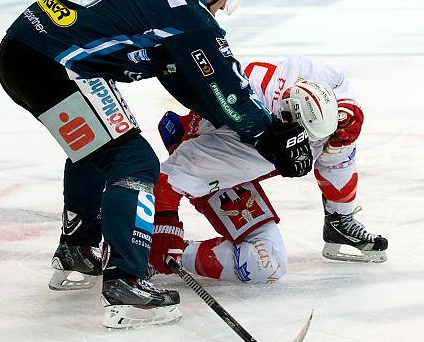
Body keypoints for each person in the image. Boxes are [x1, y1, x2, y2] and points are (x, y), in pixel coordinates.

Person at [0, 0, 313, 328]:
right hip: (57, 64)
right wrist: (266, 133)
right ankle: (125, 285)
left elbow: (182, 76)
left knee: (99, 149)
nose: (222, 8)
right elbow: (224, 82)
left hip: (27, 52)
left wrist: (228, 118)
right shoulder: (188, 10)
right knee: (134, 160)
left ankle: (76, 250)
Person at [150, 56, 389, 284]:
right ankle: (151, 249)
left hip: (241, 132)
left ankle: (340, 219)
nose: (319, 147)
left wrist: (346, 106)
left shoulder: (309, 79)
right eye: (312, 142)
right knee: (266, 263)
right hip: (208, 156)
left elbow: (337, 83)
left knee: (339, 144)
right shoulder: (233, 148)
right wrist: (164, 226)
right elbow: (165, 180)